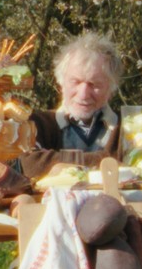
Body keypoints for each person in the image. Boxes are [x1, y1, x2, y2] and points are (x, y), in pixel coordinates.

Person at [21, 31, 124, 174]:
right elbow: (31, 165)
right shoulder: (37, 123)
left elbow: (139, 165)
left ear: (111, 88)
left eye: (94, 85)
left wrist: (56, 160)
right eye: (75, 82)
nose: (83, 94)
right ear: (61, 82)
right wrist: (107, 159)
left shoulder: (128, 128)